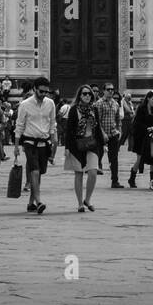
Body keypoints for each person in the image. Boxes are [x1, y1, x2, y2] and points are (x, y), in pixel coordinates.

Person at [15, 76, 57, 215]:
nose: (44, 94)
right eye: (41, 91)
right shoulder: (25, 104)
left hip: (44, 142)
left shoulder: (50, 103)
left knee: (39, 173)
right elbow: (19, 125)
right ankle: (39, 201)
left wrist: (54, 141)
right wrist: (16, 146)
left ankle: (30, 203)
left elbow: (52, 123)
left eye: (46, 92)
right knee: (35, 170)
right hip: (29, 142)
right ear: (34, 89)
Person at [64, 83, 105, 212]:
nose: (87, 96)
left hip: (92, 144)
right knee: (79, 174)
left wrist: (102, 145)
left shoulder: (94, 109)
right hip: (77, 144)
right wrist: (67, 147)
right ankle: (80, 204)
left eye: (89, 94)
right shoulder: (74, 110)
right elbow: (69, 130)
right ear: (80, 96)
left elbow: (97, 128)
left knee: (93, 172)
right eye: (84, 94)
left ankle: (87, 199)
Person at [129, 91, 153, 187]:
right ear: (148, 99)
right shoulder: (142, 109)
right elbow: (137, 123)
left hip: (151, 136)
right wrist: (147, 128)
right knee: (140, 158)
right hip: (140, 136)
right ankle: (132, 178)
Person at [95, 82, 124, 188]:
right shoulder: (99, 103)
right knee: (96, 156)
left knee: (114, 158)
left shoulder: (115, 103)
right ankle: (92, 177)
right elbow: (97, 121)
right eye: (108, 89)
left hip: (113, 134)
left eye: (112, 89)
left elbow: (118, 119)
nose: (111, 91)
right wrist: (102, 133)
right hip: (101, 134)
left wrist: (119, 130)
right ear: (104, 91)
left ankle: (115, 180)